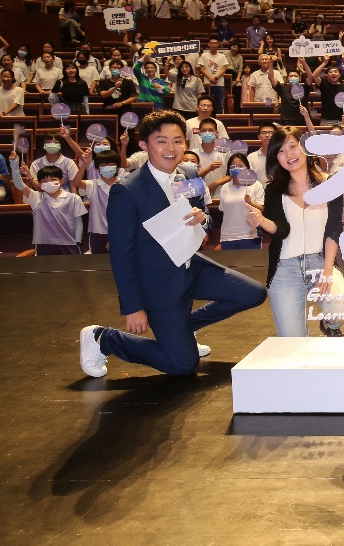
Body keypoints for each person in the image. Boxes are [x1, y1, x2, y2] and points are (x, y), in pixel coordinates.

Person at [79, 110, 266, 378]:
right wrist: (132, 307)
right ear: (144, 145)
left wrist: (203, 220)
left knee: (253, 293)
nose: (171, 148)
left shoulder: (188, 173)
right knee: (182, 365)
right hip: (158, 284)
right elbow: (121, 255)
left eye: (178, 141)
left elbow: (205, 217)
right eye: (162, 141)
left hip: (191, 267)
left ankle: (184, 328)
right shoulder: (127, 190)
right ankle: (103, 338)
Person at [246, 126, 344, 337]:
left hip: (319, 261)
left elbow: (334, 229)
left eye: (293, 146)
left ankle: (329, 325)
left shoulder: (330, 185)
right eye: (281, 151)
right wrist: (262, 221)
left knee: (341, 305)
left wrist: (327, 271)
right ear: (276, 157)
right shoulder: (273, 190)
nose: (289, 154)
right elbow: (281, 230)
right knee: (291, 339)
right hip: (285, 266)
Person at [11, 158, 86, 255]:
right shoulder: (36, 197)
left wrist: (78, 242)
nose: (49, 183)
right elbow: (18, 184)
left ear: (62, 181)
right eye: (45, 181)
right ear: (40, 184)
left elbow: (78, 222)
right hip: (44, 244)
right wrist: (14, 165)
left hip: (69, 243)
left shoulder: (74, 198)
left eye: (53, 180)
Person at [210, 152, 264, 250]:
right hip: (228, 236)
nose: (237, 168)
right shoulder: (225, 187)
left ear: (247, 167)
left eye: (241, 166)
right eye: (233, 166)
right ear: (229, 169)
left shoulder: (256, 185)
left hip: (251, 235)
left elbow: (262, 209)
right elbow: (223, 210)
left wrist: (251, 203)